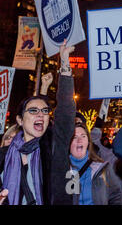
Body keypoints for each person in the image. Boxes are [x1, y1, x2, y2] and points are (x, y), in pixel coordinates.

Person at [0, 40, 75, 205]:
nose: (40, 114)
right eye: (33, 111)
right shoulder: (3, 156)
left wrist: (64, 63)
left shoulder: (55, 146)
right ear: (20, 119)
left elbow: (65, 110)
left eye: (45, 111)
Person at [68, 122, 122, 205]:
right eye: (74, 137)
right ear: (68, 143)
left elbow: (115, 196)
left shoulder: (103, 168)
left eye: (83, 136)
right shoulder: (59, 170)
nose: (79, 140)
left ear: (88, 142)